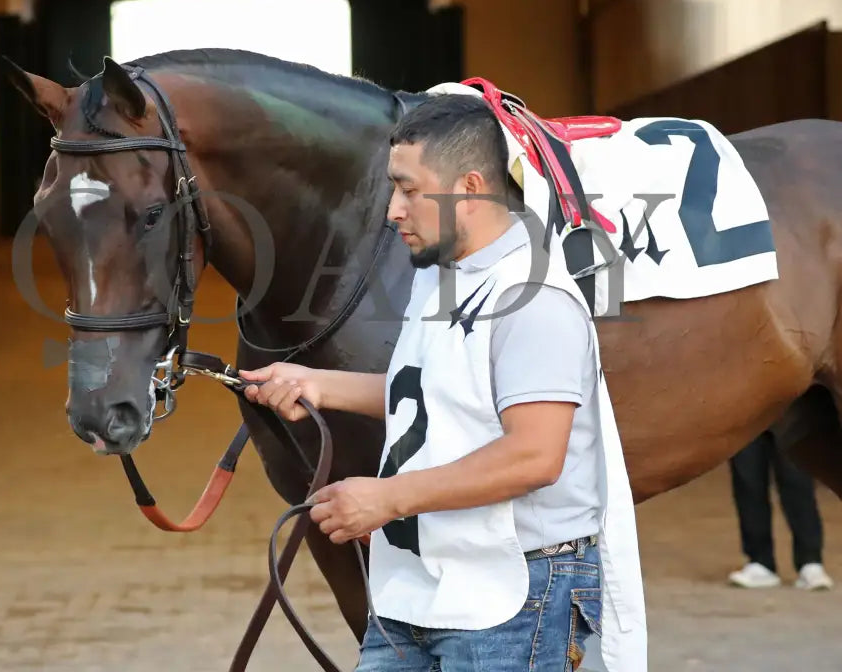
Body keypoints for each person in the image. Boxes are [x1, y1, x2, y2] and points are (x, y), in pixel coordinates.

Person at [239, 93, 647, 672]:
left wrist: (385, 498)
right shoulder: (441, 277)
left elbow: (534, 455)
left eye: (408, 189)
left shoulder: (535, 301)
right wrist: (317, 385)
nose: (393, 211)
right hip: (421, 583)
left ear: (471, 188)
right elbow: (435, 394)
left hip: (514, 592)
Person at [727, 430, 833, 590]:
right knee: (747, 481)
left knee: (797, 481)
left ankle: (810, 563)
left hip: (787, 413)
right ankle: (760, 562)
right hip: (744, 416)